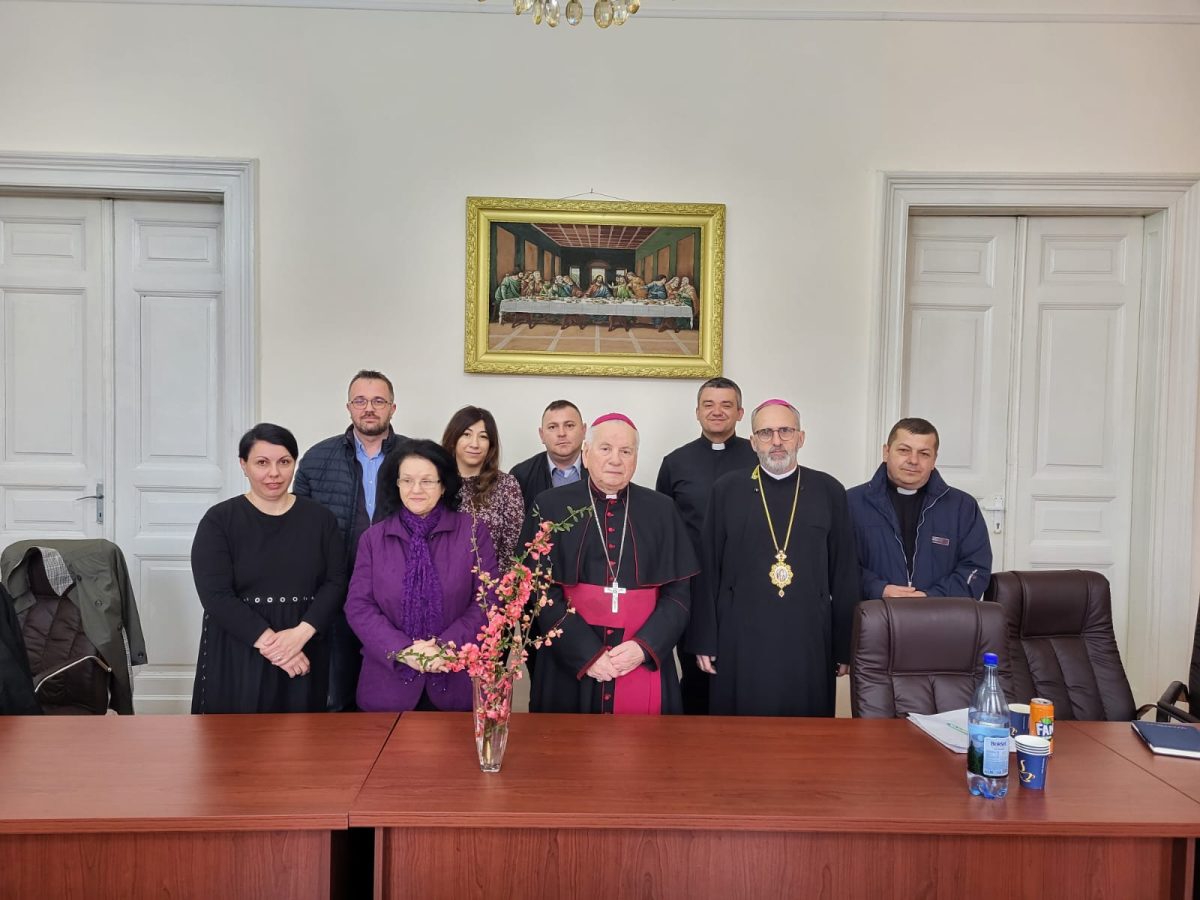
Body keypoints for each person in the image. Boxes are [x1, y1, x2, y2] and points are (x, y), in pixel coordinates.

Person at [685, 400, 859, 717]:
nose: (776, 441)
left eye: (785, 431)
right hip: (740, 636)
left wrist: (844, 645)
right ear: (753, 441)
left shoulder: (829, 490)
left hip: (807, 636)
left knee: (806, 733)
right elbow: (707, 569)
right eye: (765, 433)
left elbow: (845, 573)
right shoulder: (726, 490)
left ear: (801, 438)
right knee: (739, 730)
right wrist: (704, 639)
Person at [522, 413, 697, 715]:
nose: (616, 459)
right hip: (569, 657)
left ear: (635, 459)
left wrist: (644, 647)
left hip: (639, 655)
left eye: (626, 451)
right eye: (605, 449)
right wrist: (586, 653)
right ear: (586, 453)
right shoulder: (549, 505)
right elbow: (539, 591)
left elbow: (679, 595)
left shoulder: (662, 510)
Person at [191, 423, 347, 714]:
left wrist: (299, 636)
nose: (274, 473)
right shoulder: (219, 520)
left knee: (301, 739)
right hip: (239, 646)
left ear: (294, 464)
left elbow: (336, 582)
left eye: (284, 462)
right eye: (262, 463)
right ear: (243, 465)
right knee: (234, 739)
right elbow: (215, 595)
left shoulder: (320, 518)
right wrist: (276, 647)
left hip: (304, 644)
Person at [345, 440, 496, 713]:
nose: (416, 489)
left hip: (458, 681)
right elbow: (359, 607)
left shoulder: (473, 531)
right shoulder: (373, 539)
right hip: (388, 687)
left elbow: (487, 601)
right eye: (407, 480)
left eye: (427, 481)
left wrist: (444, 648)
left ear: (443, 485)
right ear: (396, 484)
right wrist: (404, 650)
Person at [293, 369, 406, 711]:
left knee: (392, 691)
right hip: (336, 591)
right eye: (360, 401)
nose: (369, 408)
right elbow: (300, 529)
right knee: (336, 694)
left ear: (393, 408)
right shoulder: (317, 459)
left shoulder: (415, 457)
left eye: (378, 401)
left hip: (399, 592)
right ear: (348, 407)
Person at [656, 377, 758, 714]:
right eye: (709, 405)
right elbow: (664, 529)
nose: (717, 411)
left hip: (747, 585)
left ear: (740, 412)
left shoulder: (758, 458)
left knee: (745, 672)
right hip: (692, 587)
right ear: (697, 412)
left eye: (726, 405)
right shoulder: (675, 462)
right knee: (696, 676)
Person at [847, 417, 992, 600]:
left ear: (934, 459)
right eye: (904, 450)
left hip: (942, 615)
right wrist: (879, 589)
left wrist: (929, 598)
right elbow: (838, 564)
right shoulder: (850, 503)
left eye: (924, 453)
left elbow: (976, 568)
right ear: (886, 452)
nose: (913, 460)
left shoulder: (963, 507)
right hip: (871, 612)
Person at [441, 405, 525, 564]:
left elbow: (512, 550)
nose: (474, 444)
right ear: (453, 439)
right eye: (466, 434)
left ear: (491, 445)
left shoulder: (506, 485)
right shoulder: (435, 482)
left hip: (490, 578)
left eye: (483, 437)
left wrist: (493, 580)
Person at [510, 400, 587, 516]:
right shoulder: (520, 476)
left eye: (569, 425)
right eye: (552, 427)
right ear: (542, 435)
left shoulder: (602, 470)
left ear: (583, 431)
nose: (561, 433)